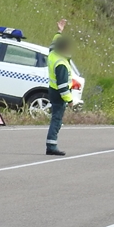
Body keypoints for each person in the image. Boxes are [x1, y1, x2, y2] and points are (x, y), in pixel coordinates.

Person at [46, 21, 74, 156]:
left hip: (52, 90)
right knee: (57, 119)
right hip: (58, 93)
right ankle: (51, 145)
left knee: (55, 118)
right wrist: (70, 100)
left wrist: (59, 31)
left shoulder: (53, 54)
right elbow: (63, 86)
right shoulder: (61, 64)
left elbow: (54, 42)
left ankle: (51, 144)